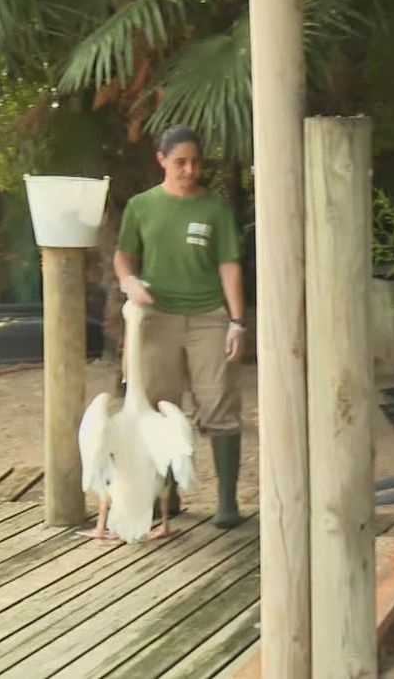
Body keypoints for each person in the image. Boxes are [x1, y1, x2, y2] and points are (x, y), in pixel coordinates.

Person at [113, 125, 248, 531]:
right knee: (157, 404)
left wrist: (237, 321)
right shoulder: (141, 206)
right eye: (180, 162)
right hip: (156, 317)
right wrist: (128, 282)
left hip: (208, 316)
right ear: (161, 160)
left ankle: (228, 502)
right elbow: (124, 256)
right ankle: (165, 495)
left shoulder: (216, 208)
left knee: (219, 403)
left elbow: (229, 265)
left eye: (195, 162)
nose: (190, 170)